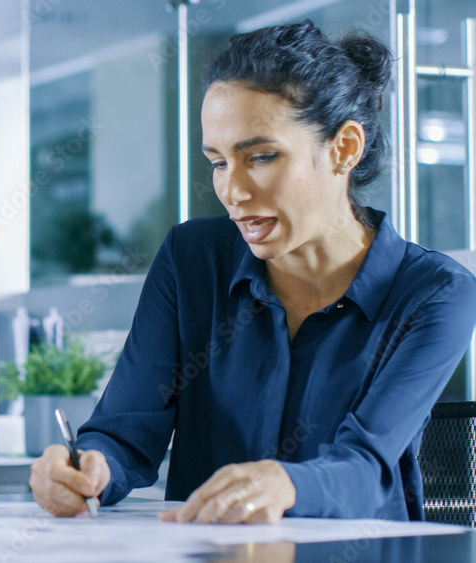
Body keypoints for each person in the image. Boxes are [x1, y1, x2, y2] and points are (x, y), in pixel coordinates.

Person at [30, 20, 476, 524]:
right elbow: (123, 433)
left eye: (261, 157)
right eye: (218, 163)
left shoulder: (435, 294)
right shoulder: (191, 259)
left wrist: (283, 484)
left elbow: (366, 467)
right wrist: (86, 469)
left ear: (344, 149)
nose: (233, 192)